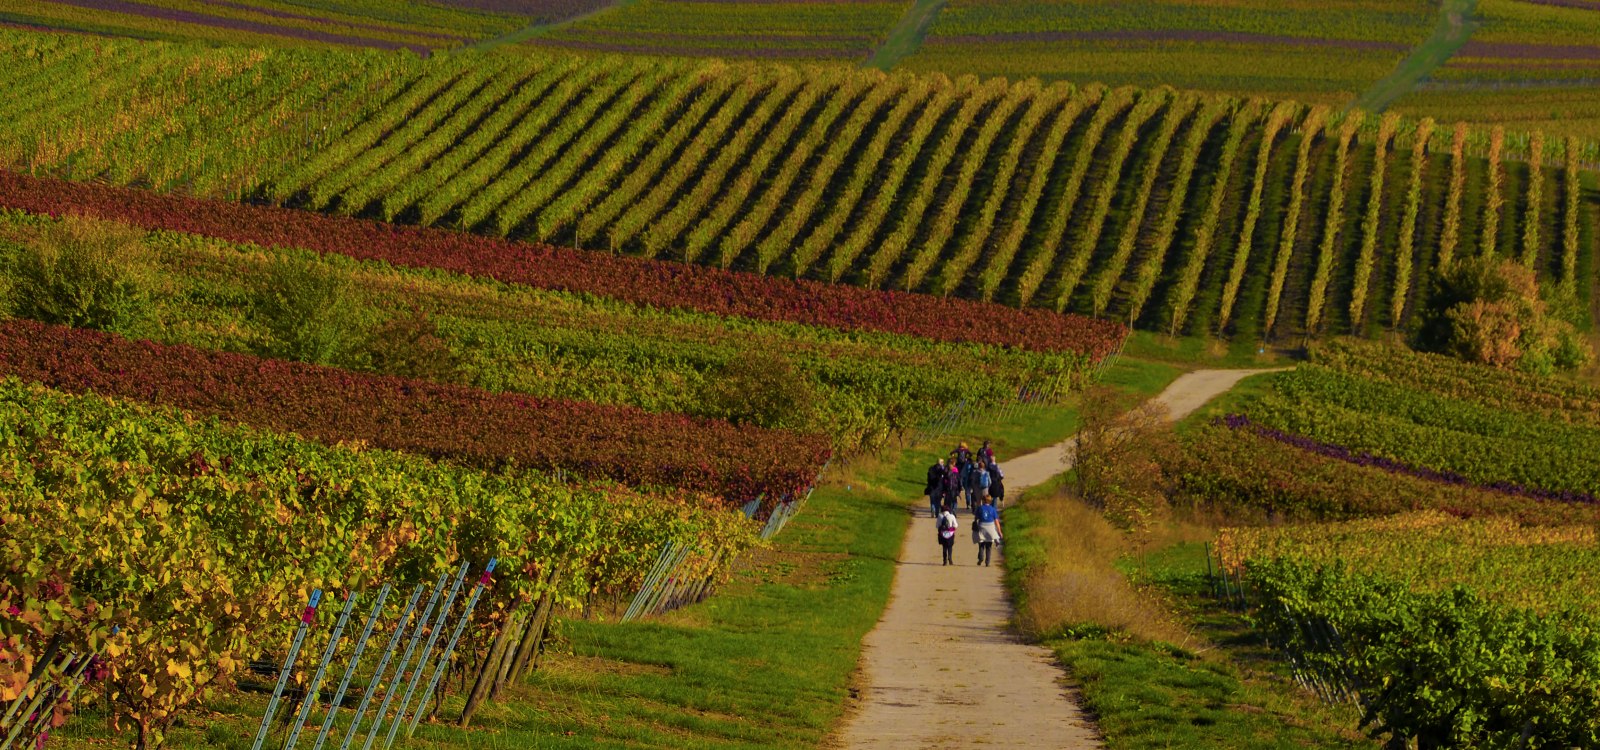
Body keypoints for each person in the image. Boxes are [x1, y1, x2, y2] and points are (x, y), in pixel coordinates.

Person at [972, 497, 1002, 566]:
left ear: (983, 500)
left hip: (982, 526)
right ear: (990, 501)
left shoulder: (980, 508)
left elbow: (976, 518)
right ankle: (987, 562)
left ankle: (981, 558)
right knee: (989, 546)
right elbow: (996, 521)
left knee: (981, 545)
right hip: (990, 528)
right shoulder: (993, 509)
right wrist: (999, 531)